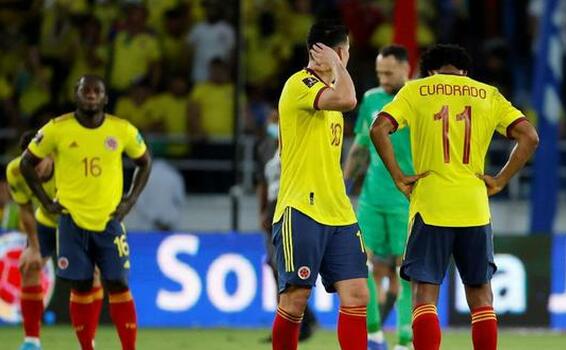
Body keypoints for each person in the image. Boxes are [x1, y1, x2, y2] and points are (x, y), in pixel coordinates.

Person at [370, 44, 539, 350]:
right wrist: (500, 180)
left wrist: (398, 175)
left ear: (429, 70)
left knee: (424, 296)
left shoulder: (415, 91)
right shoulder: (487, 93)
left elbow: (379, 128)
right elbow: (530, 136)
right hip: (474, 207)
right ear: (464, 71)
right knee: (481, 297)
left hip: (430, 206)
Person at [20, 75, 152, 350]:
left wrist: (130, 200)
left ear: (105, 97)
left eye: (97, 91)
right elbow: (26, 163)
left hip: (109, 221)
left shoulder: (122, 130)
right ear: (76, 94)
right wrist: (45, 201)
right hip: (71, 222)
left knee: (117, 283)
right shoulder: (57, 129)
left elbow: (144, 161)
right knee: (80, 285)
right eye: (85, 90)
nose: (91, 95)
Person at [271, 20, 368, 350]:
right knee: (295, 299)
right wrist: (338, 64)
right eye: (347, 51)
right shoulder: (299, 85)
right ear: (337, 52)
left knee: (357, 295)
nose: (348, 57)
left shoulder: (328, 96)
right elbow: (348, 98)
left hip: (339, 212)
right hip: (301, 209)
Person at [7, 131, 105, 350]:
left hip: (80, 221)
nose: (34, 169)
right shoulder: (16, 170)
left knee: (92, 275)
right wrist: (33, 246)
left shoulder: (71, 167)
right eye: (29, 162)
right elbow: (25, 211)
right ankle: (31, 341)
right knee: (29, 266)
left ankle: (88, 341)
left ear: (50, 154)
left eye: (38, 164)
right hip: (47, 221)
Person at [344, 45, 413, 350]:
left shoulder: (417, 101)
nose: (383, 78)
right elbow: (359, 148)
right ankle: (373, 334)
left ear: (405, 69)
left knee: (407, 269)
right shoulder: (371, 99)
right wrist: (343, 186)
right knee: (362, 265)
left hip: (406, 199)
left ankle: (406, 339)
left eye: (389, 72)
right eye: (379, 73)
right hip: (371, 199)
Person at [256, 111, 318, 343]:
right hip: (272, 209)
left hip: (293, 206)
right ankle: (297, 320)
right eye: (271, 121)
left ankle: (298, 320)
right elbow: (262, 182)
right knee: (275, 267)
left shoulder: (298, 142)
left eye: (277, 120)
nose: (273, 125)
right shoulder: (263, 148)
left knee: (287, 269)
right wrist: (262, 211)